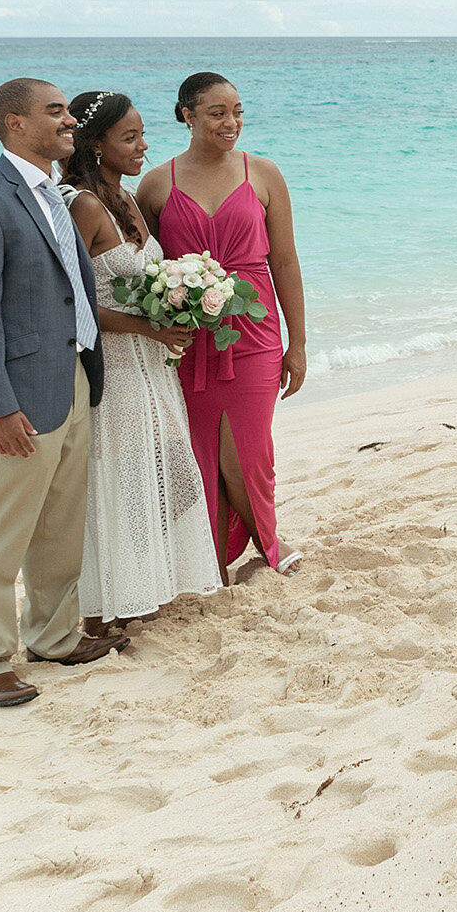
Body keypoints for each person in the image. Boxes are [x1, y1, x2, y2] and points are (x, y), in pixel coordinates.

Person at [0, 78, 122, 707]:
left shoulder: (54, 195)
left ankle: (51, 635)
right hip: (15, 394)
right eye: (55, 111)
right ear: (15, 124)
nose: (69, 119)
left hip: (71, 376)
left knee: (59, 521)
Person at [62, 91, 222, 635]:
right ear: (94, 144)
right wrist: (145, 326)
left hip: (152, 363)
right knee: (123, 480)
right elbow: (71, 302)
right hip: (117, 364)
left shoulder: (125, 197)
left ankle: (144, 586)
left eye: (142, 134)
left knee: (169, 474)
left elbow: (147, 277)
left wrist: (179, 306)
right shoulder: (82, 204)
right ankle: (105, 607)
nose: (143, 145)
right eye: (129, 137)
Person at [138, 73, 308, 581]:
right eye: (216, 113)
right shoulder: (156, 184)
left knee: (248, 453)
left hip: (254, 333)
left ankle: (266, 541)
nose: (231, 122)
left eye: (237, 111)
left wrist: (297, 344)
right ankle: (209, 556)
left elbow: (286, 263)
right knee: (200, 456)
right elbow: (142, 266)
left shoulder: (264, 173)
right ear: (186, 116)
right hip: (188, 340)